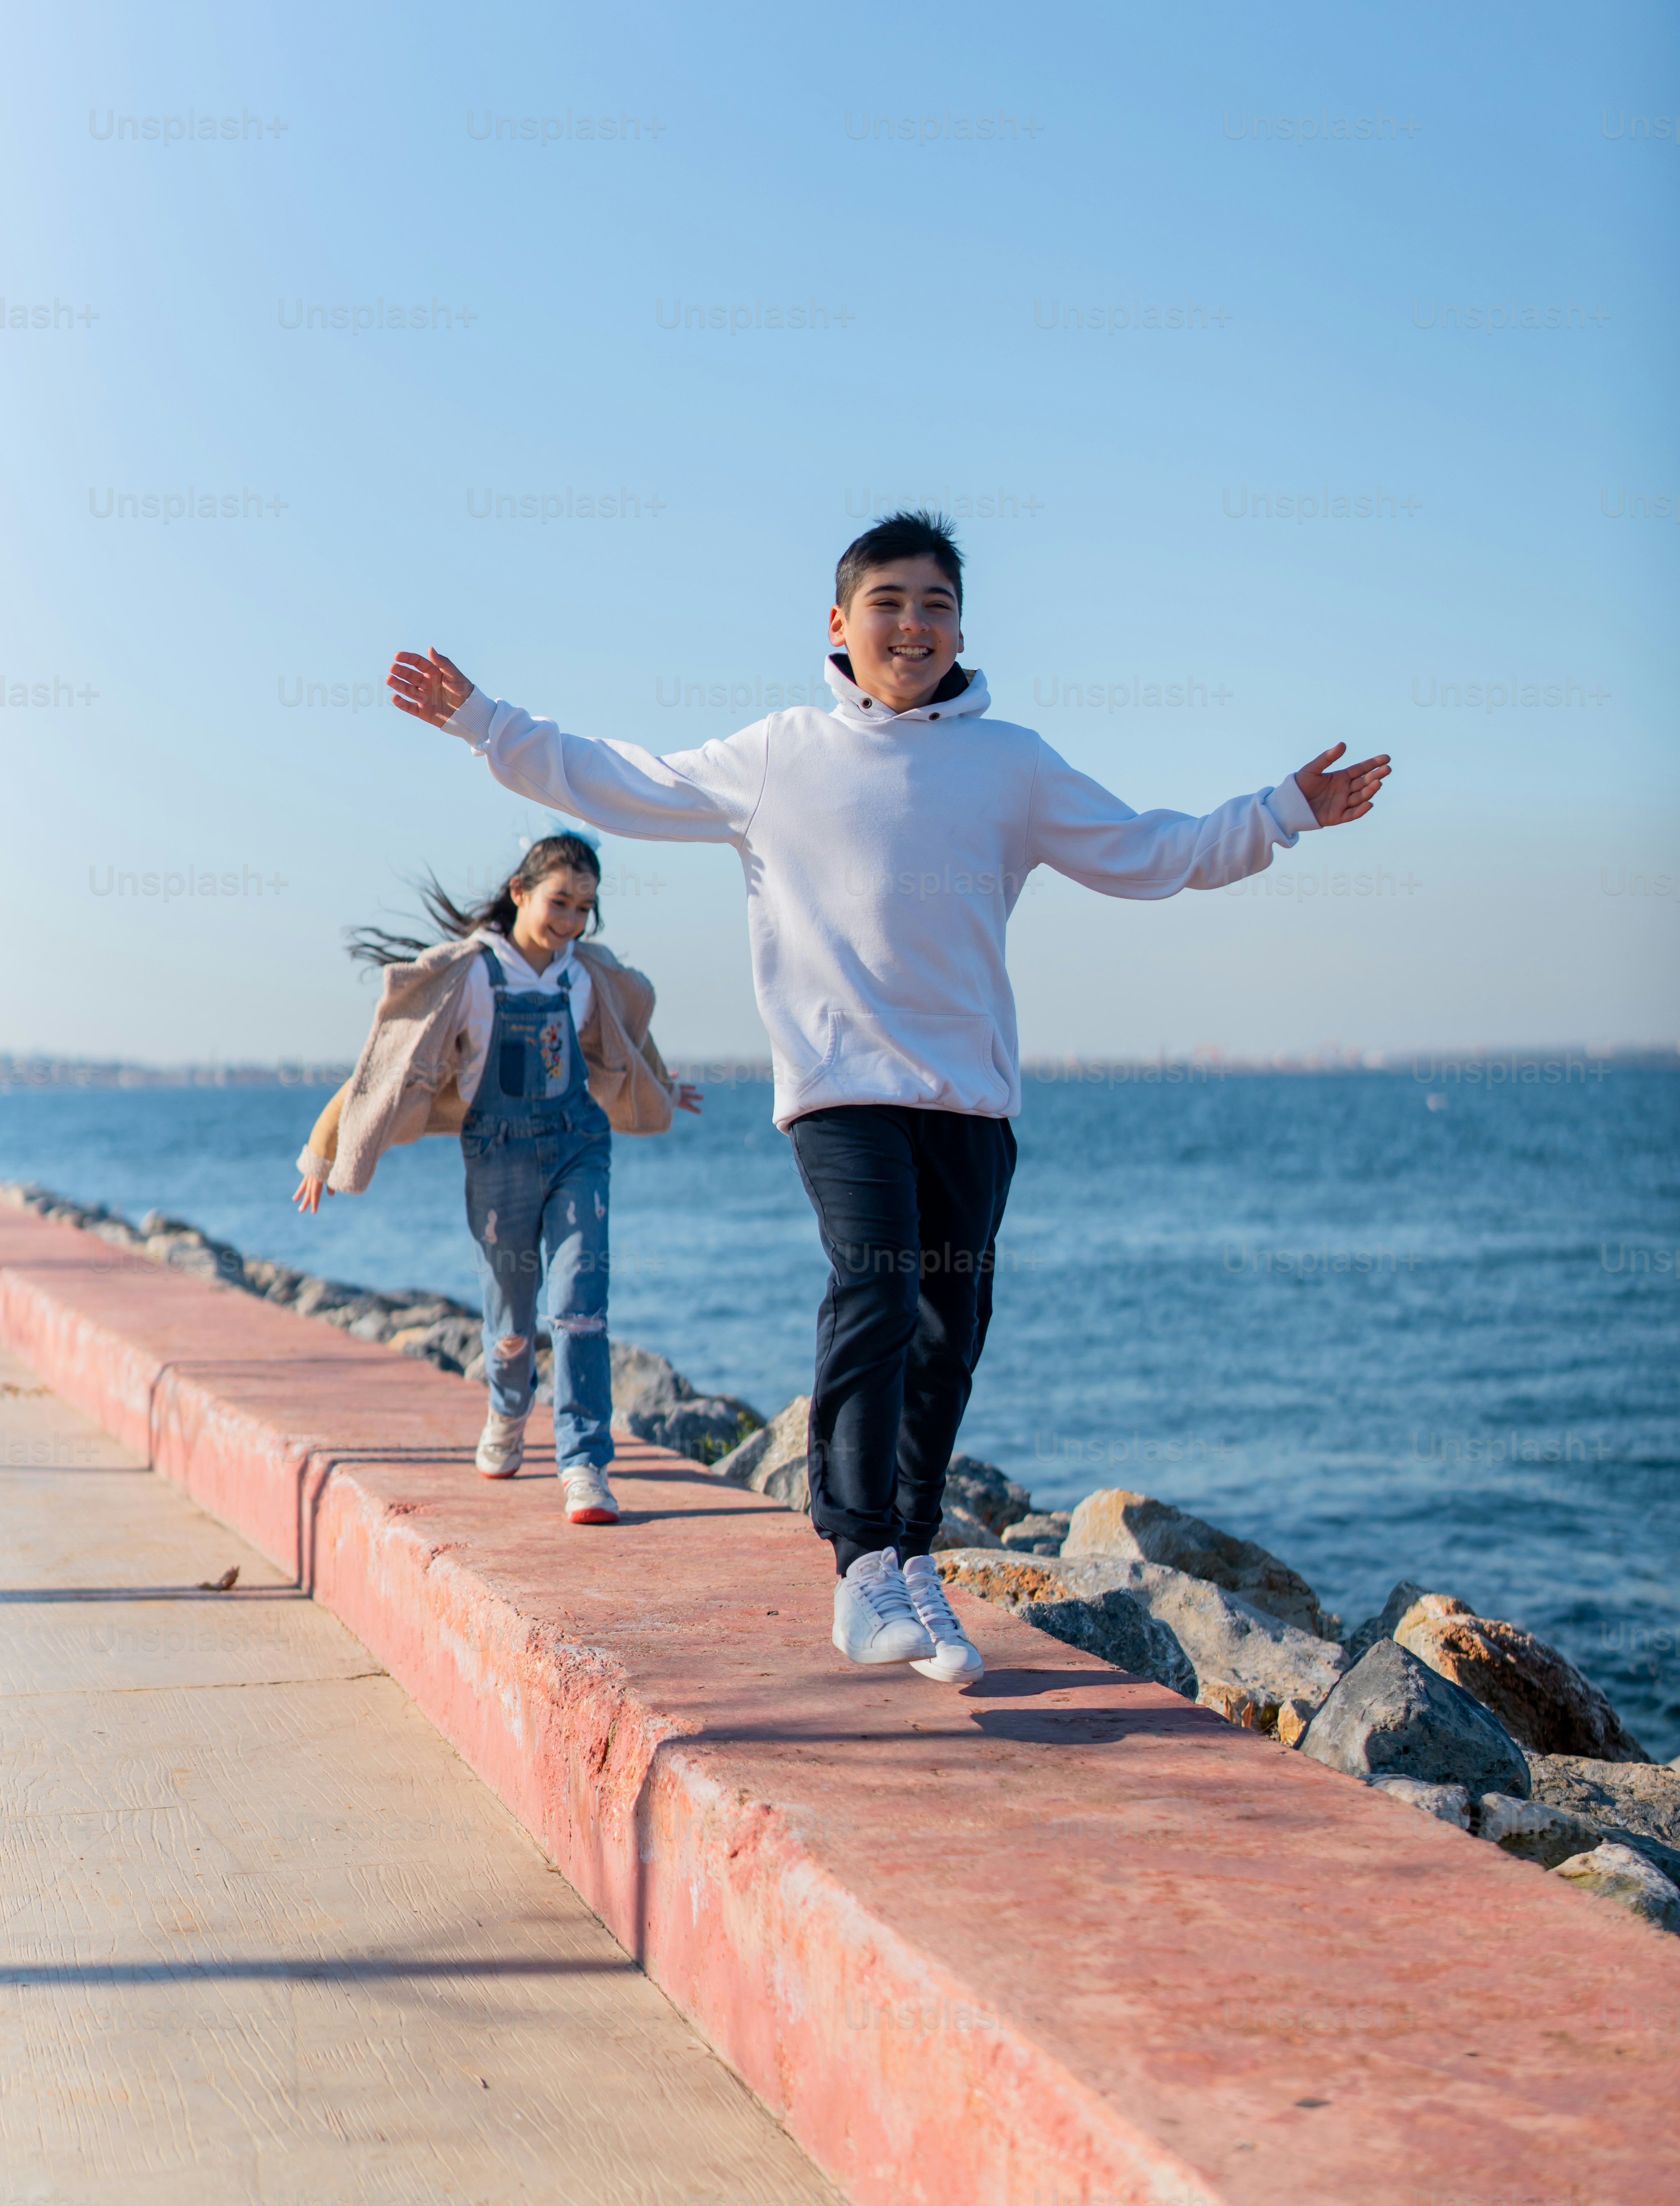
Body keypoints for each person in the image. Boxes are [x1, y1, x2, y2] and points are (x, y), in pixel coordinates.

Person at [387, 510, 1390, 1676]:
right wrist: (483, 721)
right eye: (889, 601)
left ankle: (912, 1552)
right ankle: (860, 1559)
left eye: (936, 603)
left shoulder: (1009, 761)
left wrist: (1279, 813)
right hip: (837, 1086)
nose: (913, 624)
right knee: (875, 1286)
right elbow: (619, 780)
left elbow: (1147, 851)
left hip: (970, 1098)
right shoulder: (780, 753)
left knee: (951, 1329)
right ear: (838, 621)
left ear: (960, 624)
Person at [292, 833, 701, 1523]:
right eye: (559, 902)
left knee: (581, 1307)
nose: (571, 920)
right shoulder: (472, 975)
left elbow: (627, 1044)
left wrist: (660, 1085)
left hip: (579, 1149)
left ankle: (584, 1464)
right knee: (512, 1318)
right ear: (520, 893)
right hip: (498, 1156)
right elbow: (383, 1066)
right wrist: (321, 1150)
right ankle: (509, 1413)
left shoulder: (586, 975)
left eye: (584, 908)